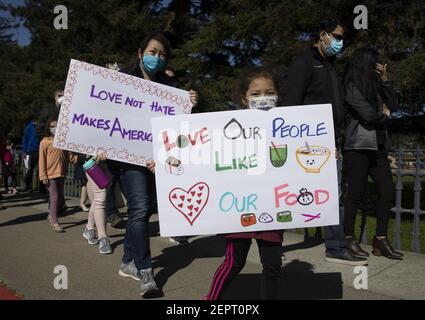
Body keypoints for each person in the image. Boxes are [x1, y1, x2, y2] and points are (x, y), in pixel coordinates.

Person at [107, 32, 198, 298]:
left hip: (156, 157)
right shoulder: (122, 80)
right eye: (152, 52)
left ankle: (127, 261)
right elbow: (104, 115)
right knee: (140, 206)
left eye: (161, 54)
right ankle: (146, 271)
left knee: (142, 209)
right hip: (127, 157)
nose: (156, 58)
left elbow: (180, 123)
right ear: (140, 53)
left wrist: (189, 103)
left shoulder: (171, 84)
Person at [282, 19, 367, 266]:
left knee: (331, 194)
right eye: (337, 37)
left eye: (343, 39)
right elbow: (290, 103)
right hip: (304, 142)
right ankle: (271, 246)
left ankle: (336, 246)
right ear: (323, 35)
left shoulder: (330, 65)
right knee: (285, 195)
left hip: (328, 142)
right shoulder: (304, 63)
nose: (340, 43)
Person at [204, 67, 283, 300]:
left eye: (269, 92)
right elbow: (205, 156)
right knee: (233, 262)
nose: (263, 98)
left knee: (272, 266)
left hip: (271, 207)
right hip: (239, 205)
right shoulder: (229, 127)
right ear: (244, 98)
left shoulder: (288, 127)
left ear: (278, 95)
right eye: (256, 94)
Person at [342, 47, 403, 259]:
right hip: (357, 147)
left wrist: (385, 80)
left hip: (377, 146)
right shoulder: (351, 86)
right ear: (366, 64)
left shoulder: (375, 87)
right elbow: (368, 115)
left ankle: (380, 240)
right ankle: (348, 239)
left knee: (387, 191)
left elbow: (393, 104)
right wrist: (385, 115)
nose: (378, 68)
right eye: (375, 64)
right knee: (355, 194)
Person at [39, 118, 77, 232]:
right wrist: (43, 176)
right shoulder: (45, 141)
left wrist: (76, 156)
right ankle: (55, 222)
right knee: (55, 198)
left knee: (59, 198)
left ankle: (51, 215)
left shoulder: (63, 140)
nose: (54, 128)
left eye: (56, 125)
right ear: (48, 128)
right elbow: (42, 160)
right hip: (50, 174)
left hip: (61, 173)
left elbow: (71, 157)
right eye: (52, 126)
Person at [82, 153, 113, 255]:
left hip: (108, 162)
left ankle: (89, 228)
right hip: (92, 162)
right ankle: (102, 238)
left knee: (97, 199)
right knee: (101, 197)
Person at [21, 116, 40, 192]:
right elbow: (25, 140)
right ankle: (28, 187)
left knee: (39, 170)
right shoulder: (29, 127)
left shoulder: (41, 127)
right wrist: (24, 151)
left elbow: (25, 140)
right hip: (31, 151)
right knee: (29, 170)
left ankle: (39, 187)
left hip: (38, 150)